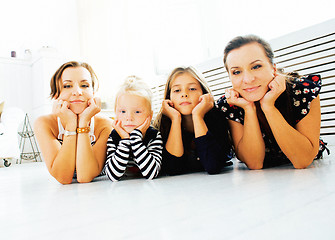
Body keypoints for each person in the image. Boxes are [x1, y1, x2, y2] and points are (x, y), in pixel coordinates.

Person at [217, 35, 328, 169]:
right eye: (237, 72)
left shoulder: (302, 90)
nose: (247, 79)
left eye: (256, 66)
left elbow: (303, 160)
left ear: (273, 68)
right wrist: (249, 109)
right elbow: (254, 163)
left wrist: (268, 106)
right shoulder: (231, 104)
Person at [34, 61, 112, 184]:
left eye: (85, 85)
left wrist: (84, 122)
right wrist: (70, 125)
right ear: (56, 95)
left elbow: (85, 177)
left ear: (93, 92)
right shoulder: (44, 124)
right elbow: (63, 177)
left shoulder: (105, 125)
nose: (77, 92)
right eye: (67, 86)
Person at [154, 66, 233, 175]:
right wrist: (175, 119)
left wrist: (197, 116)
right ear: (169, 97)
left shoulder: (217, 117)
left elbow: (213, 166)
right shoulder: (163, 124)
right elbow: (172, 169)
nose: (184, 94)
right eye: (177, 90)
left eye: (192, 89)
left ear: (203, 93)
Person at [104, 76, 163, 181]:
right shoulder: (114, 136)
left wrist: (135, 138)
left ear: (149, 115)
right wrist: (125, 140)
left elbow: (151, 173)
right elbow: (113, 176)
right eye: (123, 111)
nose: (129, 118)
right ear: (116, 113)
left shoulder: (153, 136)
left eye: (137, 112)